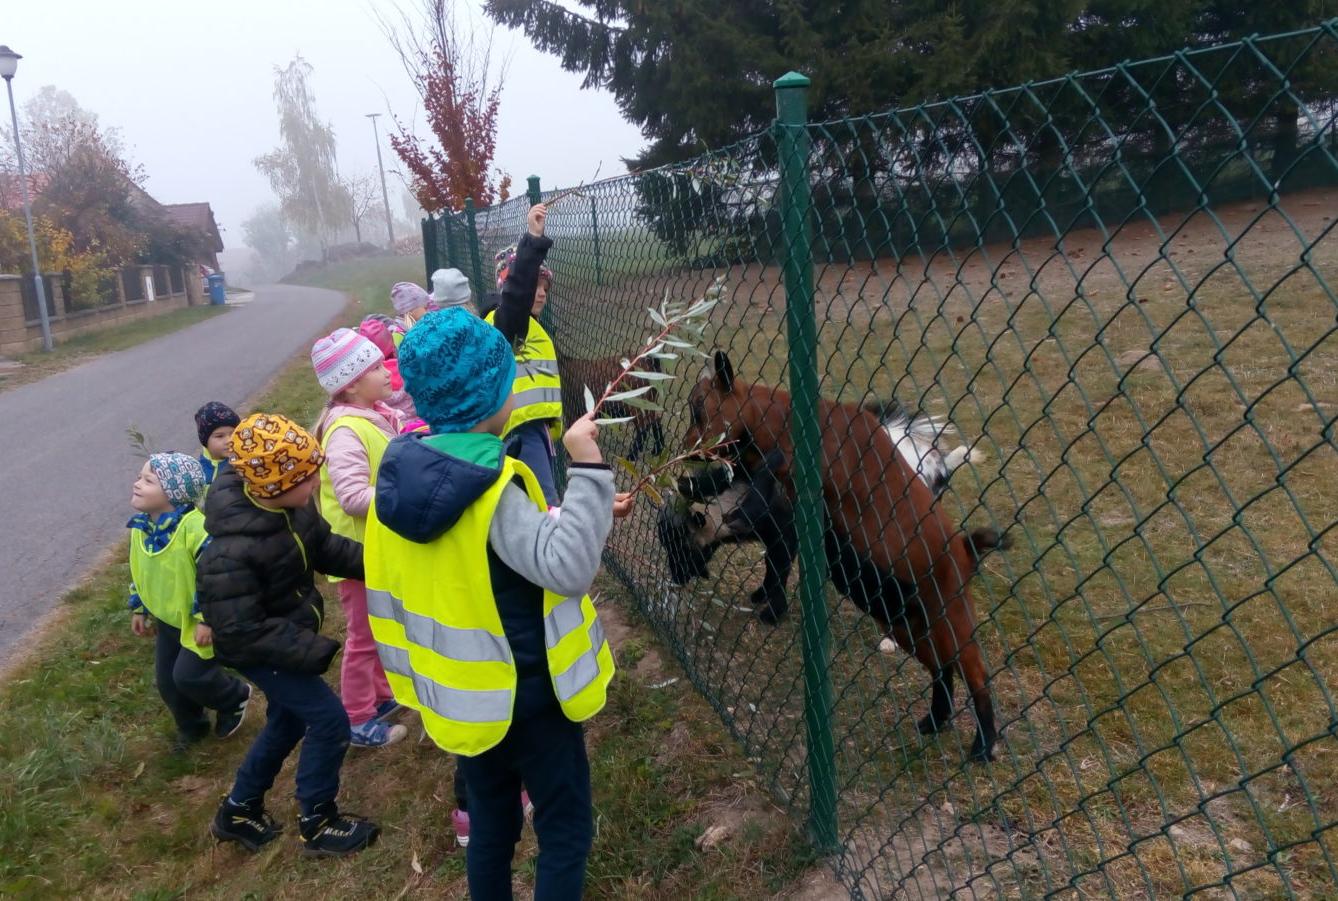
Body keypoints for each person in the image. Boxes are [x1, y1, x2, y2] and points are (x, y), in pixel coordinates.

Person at [364, 308, 632, 899]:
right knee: (563, 826)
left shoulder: (402, 478)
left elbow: (480, 559)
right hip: (532, 697)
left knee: (491, 823)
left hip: (465, 700)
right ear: (493, 395)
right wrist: (587, 468)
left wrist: (556, 520)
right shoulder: (493, 484)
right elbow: (565, 567)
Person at [199, 413, 379, 858]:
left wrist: (384, 564)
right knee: (328, 719)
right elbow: (238, 630)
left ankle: (239, 810)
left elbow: (326, 547)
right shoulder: (229, 553)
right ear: (273, 485)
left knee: (288, 719)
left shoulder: (292, 508)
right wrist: (305, 649)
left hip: (281, 636)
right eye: (308, 478)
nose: (317, 484)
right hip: (259, 648)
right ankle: (318, 820)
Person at [310, 328, 407, 749]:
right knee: (364, 636)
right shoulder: (346, 430)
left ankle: (381, 696)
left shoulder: (373, 414)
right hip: (356, 554)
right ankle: (356, 717)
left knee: (382, 624)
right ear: (350, 384)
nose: (387, 372)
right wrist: (405, 496)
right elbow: (351, 497)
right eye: (374, 367)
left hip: (377, 549)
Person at [128, 452, 251, 752]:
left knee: (190, 676)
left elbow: (215, 576)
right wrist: (139, 606)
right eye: (140, 477)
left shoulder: (196, 529)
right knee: (168, 683)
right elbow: (138, 568)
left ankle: (233, 697)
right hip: (170, 620)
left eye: (148, 480)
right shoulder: (141, 527)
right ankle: (191, 727)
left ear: (174, 492)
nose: (137, 484)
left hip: (199, 622)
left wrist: (207, 618)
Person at [487, 203, 563, 505]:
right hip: (522, 431)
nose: (542, 293)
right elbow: (517, 293)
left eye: (545, 287)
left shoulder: (527, 326)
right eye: (534, 285)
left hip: (535, 427)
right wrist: (533, 239)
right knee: (545, 503)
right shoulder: (506, 323)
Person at [359, 316, 415, 420]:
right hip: (422, 425)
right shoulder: (410, 368)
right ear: (393, 347)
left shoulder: (365, 385)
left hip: (394, 431)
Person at [194, 401, 241, 488]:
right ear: (205, 441)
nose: (229, 440)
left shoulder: (245, 461)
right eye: (220, 436)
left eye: (233, 433)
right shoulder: (199, 473)